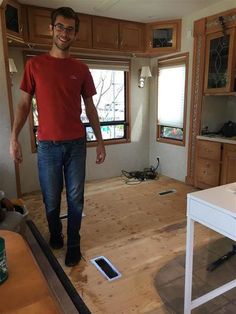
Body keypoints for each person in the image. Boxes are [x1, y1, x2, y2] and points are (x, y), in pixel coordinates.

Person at [10, 7, 106, 267]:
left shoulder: (81, 69)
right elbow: (23, 104)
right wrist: (14, 137)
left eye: (70, 29)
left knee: (76, 198)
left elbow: (90, 107)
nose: (65, 33)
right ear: (51, 29)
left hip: (76, 144)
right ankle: (56, 233)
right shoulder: (34, 65)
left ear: (75, 34)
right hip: (48, 147)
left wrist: (99, 141)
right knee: (51, 199)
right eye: (60, 27)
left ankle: (74, 243)